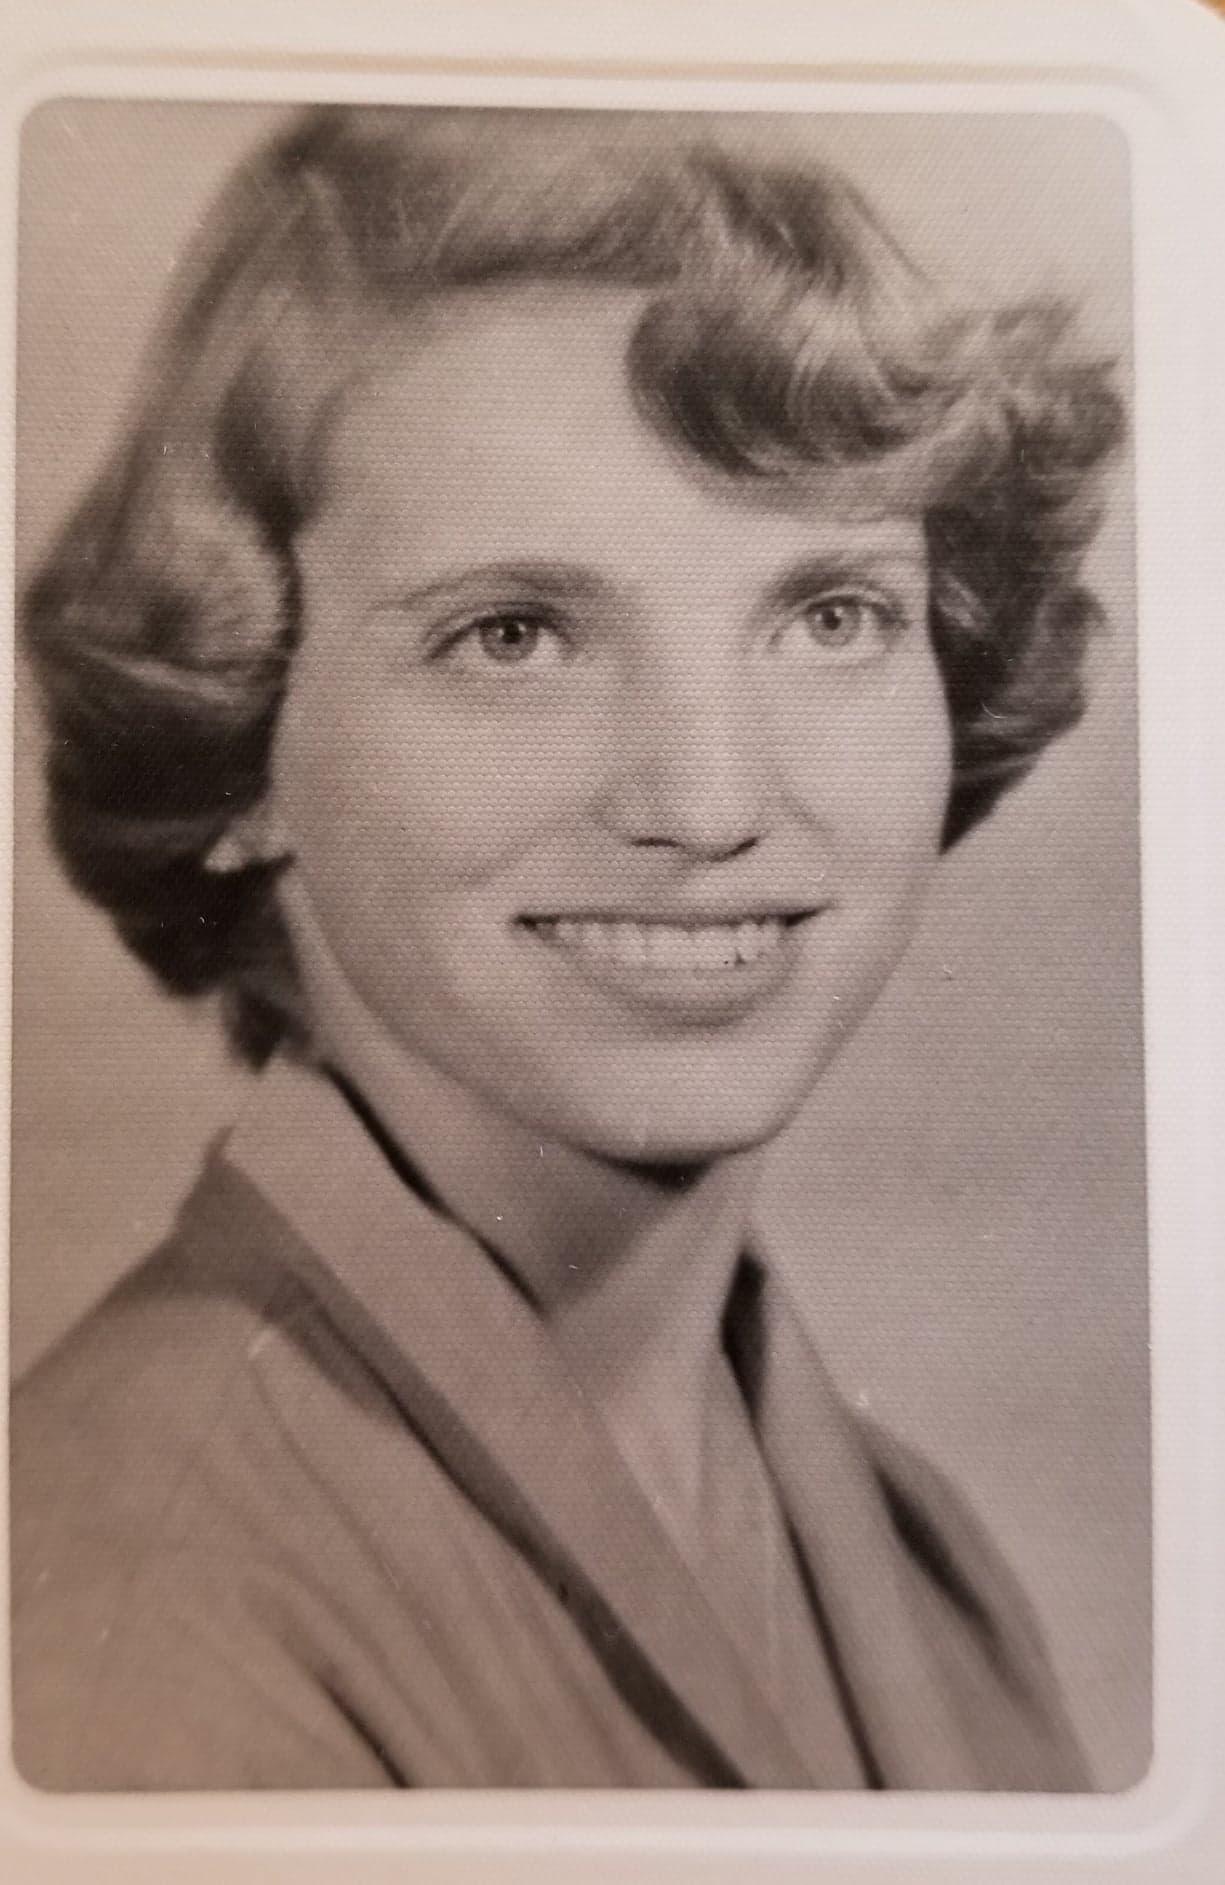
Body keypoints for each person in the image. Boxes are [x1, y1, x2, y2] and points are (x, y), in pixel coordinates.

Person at [10, 104, 1124, 1791]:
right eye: (513, 635)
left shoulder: (921, 1570)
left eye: (830, 615)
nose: (708, 801)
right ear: (236, 749)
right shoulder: (132, 1594)